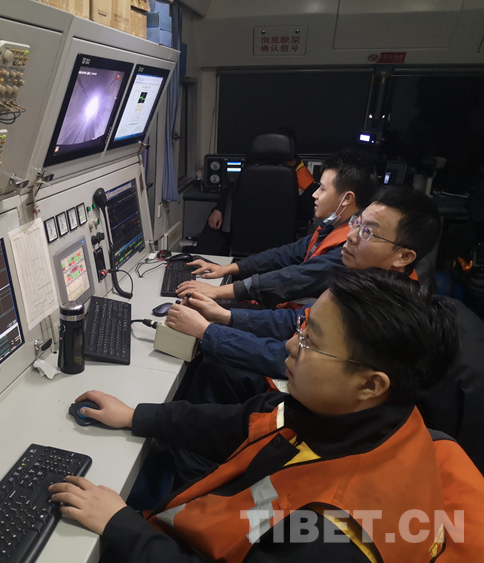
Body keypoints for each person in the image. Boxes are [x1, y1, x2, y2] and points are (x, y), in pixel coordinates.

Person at [49, 269, 484, 562]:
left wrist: (121, 526)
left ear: (371, 384)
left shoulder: (335, 536)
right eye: (303, 327)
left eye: (311, 341)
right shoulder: (349, 416)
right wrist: (135, 416)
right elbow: (237, 423)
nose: (292, 346)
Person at [167, 186, 441, 403]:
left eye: (368, 232)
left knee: (215, 369)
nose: (352, 236)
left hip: (313, 399)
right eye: (357, 223)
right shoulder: (366, 282)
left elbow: (292, 355)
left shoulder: (380, 313)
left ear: (404, 257)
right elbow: (298, 321)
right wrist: (224, 316)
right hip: (308, 372)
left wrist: (209, 332)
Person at [178, 152, 376, 308]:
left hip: (303, 319)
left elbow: (293, 279)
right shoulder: (332, 228)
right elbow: (284, 254)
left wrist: (218, 292)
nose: (314, 194)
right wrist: (228, 268)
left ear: (347, 198)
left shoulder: (350, 247)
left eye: (322, 189)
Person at [196, 130, 320, 255]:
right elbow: (233, 189)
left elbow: (306, 214)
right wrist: (219, 209)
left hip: (280, 236)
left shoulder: (306, 181)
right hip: (248, 226)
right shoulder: (253, 169)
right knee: (215, 224)